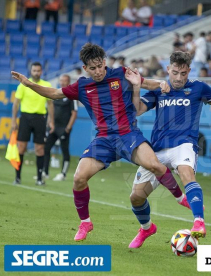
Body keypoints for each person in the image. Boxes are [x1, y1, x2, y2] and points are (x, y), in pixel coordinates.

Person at [11, 43, 189, 243]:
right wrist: (29, 84)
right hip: (103, 139)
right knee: (79, 178)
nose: (97, 72)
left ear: (104, 62)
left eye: (100, 66)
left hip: (128, 134)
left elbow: (145, 83)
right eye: (92, 68)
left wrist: (162, 83)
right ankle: (85, 222)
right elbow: (53, 93)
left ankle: (180, 198)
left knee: (155, 165)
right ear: (85, 69)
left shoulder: (121, 74)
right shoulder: (81, 86)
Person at [127, 51, 211, 248]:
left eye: (183, 73)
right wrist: (136, 87)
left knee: (187, 173)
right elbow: (136, 111)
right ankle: (146, 228)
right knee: (136, 197)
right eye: (175, 73)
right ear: (168, 69)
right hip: (158, 150)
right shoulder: (159, 89)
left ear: (188, 71)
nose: (179, 78)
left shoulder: (198, 88)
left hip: (184, 144)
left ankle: (199, 221)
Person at [11, 62, 54, 186]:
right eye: (34, 70)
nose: (36, 72)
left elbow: (50, 104)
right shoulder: (23, 85)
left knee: (40, 149)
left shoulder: (46, 85)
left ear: (41, 71)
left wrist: (51, 120)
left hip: (40, 118)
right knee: (21, 147)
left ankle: (39, 178)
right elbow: (16, 103)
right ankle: (17, 177)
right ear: (31, 71)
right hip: (25, 118)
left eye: (38, 70)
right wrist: (14, 120)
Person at [44, 74, 78, 181]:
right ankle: (45, 172)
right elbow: (51, 110)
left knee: (64, 150)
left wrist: (68, 128)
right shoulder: (56, 94)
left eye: (64, 81)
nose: (62, 82)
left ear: (68, 82)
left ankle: (63, 174)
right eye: (61, 80)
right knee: (46, 148)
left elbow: (74, 113)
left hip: (64, 128)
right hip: (54, 127)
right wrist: (50, 123)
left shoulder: (71, 95)